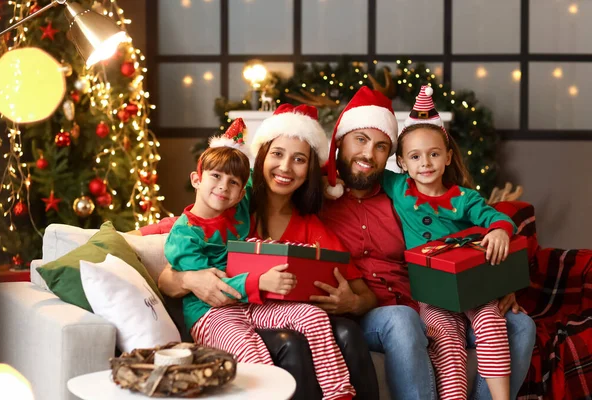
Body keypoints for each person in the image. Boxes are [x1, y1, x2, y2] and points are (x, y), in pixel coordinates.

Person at [149, 106, 379, 400]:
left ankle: (339, 395)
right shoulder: (237, 203)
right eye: (277, 154)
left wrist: (352, 302)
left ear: (309, 170)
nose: (285, 167)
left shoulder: (307, 226)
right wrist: (190, 279)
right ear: (262, 157)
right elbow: (189, 229)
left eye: (299, 160)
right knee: (287, 343)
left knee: (325, 325)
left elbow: (366, 296)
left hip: (259, 308)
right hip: (219, 313)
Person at [321, 86, 536, 399]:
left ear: (390, 158)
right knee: (406, 320)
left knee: (522, 326)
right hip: (382, 310)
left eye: (381, 146)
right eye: (361, 140)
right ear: (340, 142)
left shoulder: (400, 192)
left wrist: (499, 278)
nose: (368, 154)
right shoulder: (317, 196)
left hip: (432, 296)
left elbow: (488, 222)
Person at [380, 86, 513, 399]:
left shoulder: (465, 199)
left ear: (448, 156)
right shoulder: (398, 187)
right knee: (444, 337)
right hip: (432, 293)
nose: (425, 163)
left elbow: (499, 218)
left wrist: (499, 231)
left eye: (434, 154)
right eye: (415, 156)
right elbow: (357, 167)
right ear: (401, 162)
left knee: (492, 321)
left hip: (472, 285)